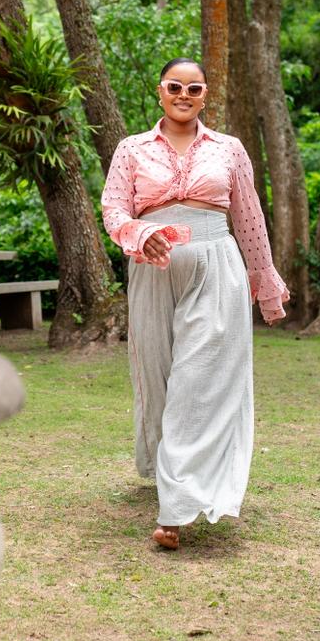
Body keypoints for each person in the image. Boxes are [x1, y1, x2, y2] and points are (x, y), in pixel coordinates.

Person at [101, 57, 289, 550]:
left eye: (194, 88)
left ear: (206, 96)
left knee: (197, 381)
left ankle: (177, 509)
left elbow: (249, 220)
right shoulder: (131, 149)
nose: (184, 94)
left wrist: (264, 283)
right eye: (174, 86)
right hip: (152, 266)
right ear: (160, 92)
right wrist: (142, 234)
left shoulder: (228, 149)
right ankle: (166, 466)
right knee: (159, 378)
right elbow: (114, 207)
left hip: (216, 267)